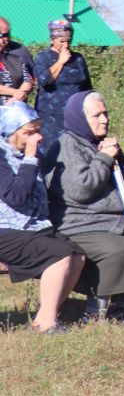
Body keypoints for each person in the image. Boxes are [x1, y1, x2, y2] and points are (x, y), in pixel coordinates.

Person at [46, 93, 124, 322]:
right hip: (80, 223)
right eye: (96, 115)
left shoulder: (103, 142)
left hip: (116, 221)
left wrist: (119, 160)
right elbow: (81, 189)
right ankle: (95, 310)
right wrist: (104, 158)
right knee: (117, 251)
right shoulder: (66, 145)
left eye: (105, 113)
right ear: (80, 118)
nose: (104, 120)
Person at [0, 102, 88, 334]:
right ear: (10, 133)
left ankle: (43, 317)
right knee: (59, 255)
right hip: (6, 229)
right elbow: (17, 197)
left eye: (38, 131)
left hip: (33, 226)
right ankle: (48, 323)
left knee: (77, 255)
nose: (37, 138)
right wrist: (30, 159)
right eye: (28, 133)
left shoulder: (27, 152)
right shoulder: (2, 157)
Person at [33, 19, 91, 146]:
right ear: (52, 39)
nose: (66, 45)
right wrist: (61, 62)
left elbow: (87, 87)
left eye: (69, 42)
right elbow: (44, 80)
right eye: (62, 41)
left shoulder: (78, 58)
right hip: (51, 117)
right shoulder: (43, 57)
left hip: (75, 115)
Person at [0, 17, 34, 105]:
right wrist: (13, 92)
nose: (2, 41)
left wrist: (18, 96)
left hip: (16, 108)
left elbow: (30, 78)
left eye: (5, 36)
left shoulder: (20, 51)